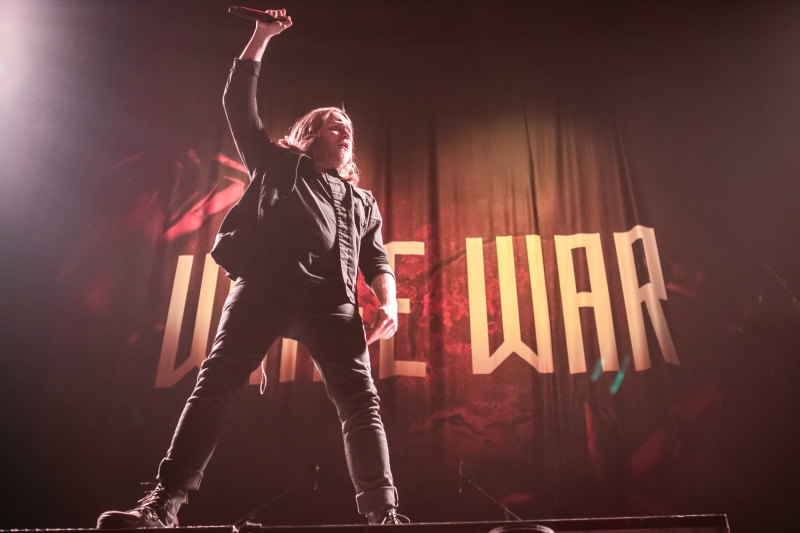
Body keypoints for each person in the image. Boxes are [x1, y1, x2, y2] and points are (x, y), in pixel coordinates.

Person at [97, 9, 406, 527]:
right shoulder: (278, 162)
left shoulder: (363, 201)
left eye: (350, 129)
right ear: (310, 133)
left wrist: (389, 302)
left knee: (361, 403)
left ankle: (385, 516)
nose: (346, 132)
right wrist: (261, 37)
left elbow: (376, 256)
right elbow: (238, 106)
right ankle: (163, 505)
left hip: (332, 304)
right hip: (266, 288)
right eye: (335, 124)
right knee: (216, 382)